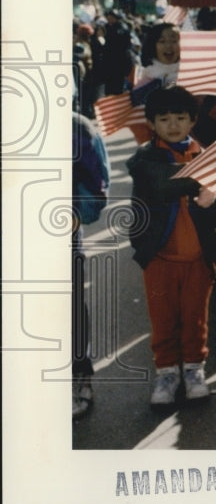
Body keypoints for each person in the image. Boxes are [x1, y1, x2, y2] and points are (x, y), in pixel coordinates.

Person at [126, 87, 216, 406]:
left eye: (180, 118)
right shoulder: (144, 157)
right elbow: (160, 183)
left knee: (196, 317)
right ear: (152, 123)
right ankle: (167, 372)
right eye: (164, 119)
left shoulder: (205, 154)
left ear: (192, 120)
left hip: (199, 255)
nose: (173, 125)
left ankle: (194, 369)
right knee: (163, 317)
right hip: (160, 255)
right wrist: (201, 182)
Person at [71, 112, 111, 418]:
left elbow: (96, 190)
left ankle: (76, 376)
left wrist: (72, 211)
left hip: (57, 240)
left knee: (67, 310)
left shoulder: (76, 128)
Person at [134, 22, 180, 88]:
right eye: (162, 41)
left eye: (173, 41)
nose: (168, 46)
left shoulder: (191, 73)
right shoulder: (147, 78)